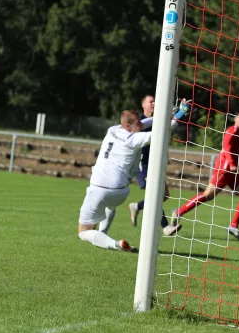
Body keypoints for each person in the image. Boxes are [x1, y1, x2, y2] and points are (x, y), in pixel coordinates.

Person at [78, 102, 190, 251]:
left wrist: (170, 115)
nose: (142, 125)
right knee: (109, 205)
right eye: (138, 123)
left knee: (84, 231)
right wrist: (179, 115)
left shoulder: (113, 130)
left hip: (98, 189)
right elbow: (162, 133)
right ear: (128, 126)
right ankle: (104, 233)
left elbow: (146, 122)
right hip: (119, 193)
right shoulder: (134, 139)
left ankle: (115, 244)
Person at [171, 112, 239, 241]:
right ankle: (178, 212)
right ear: (236, 118)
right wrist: (231, 163)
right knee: (208, 195)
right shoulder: (232, 130)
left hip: (233, 172)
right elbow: (226, 148)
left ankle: (234, 225)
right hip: (224, 169)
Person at [128, 95, 179, 236]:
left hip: (155, 164)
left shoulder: (158, 121)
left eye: (155, 101)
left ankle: (137, 206)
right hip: (142, 166)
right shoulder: (139, 121)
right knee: (155, 195)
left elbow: (165, 132)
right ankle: (165, 227)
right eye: (151, 101)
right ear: (143, 104)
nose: (154, 103)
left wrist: (180, 113)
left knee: (164, 195)